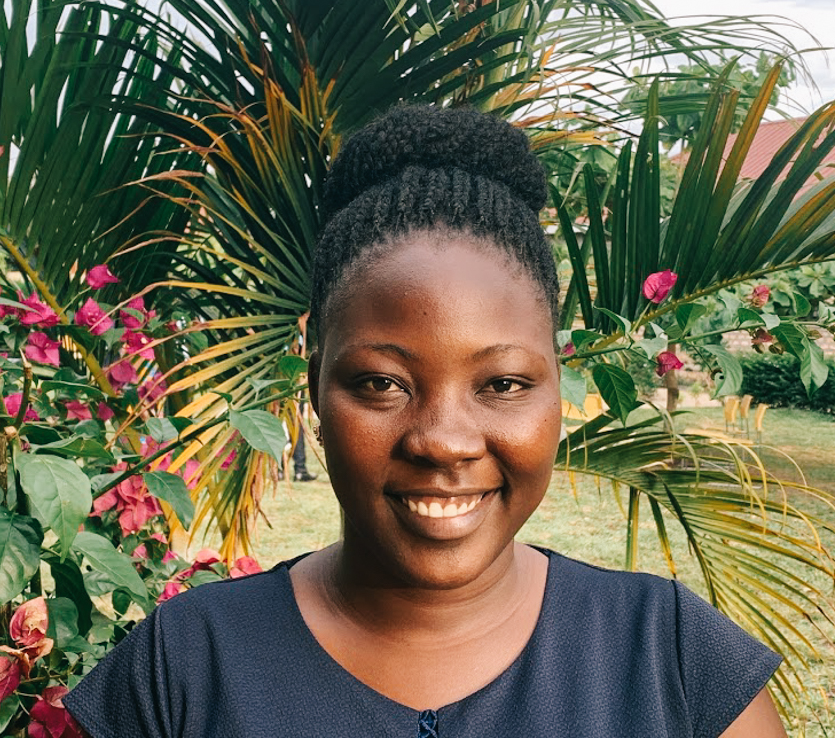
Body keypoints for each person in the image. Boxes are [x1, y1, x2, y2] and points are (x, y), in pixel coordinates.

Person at [64, 106, 787, 737]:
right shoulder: (185, 665)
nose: (443, 440)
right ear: (315, 375)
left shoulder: (672, 659)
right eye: (381, 383)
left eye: (503, 383)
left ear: (556, 386)